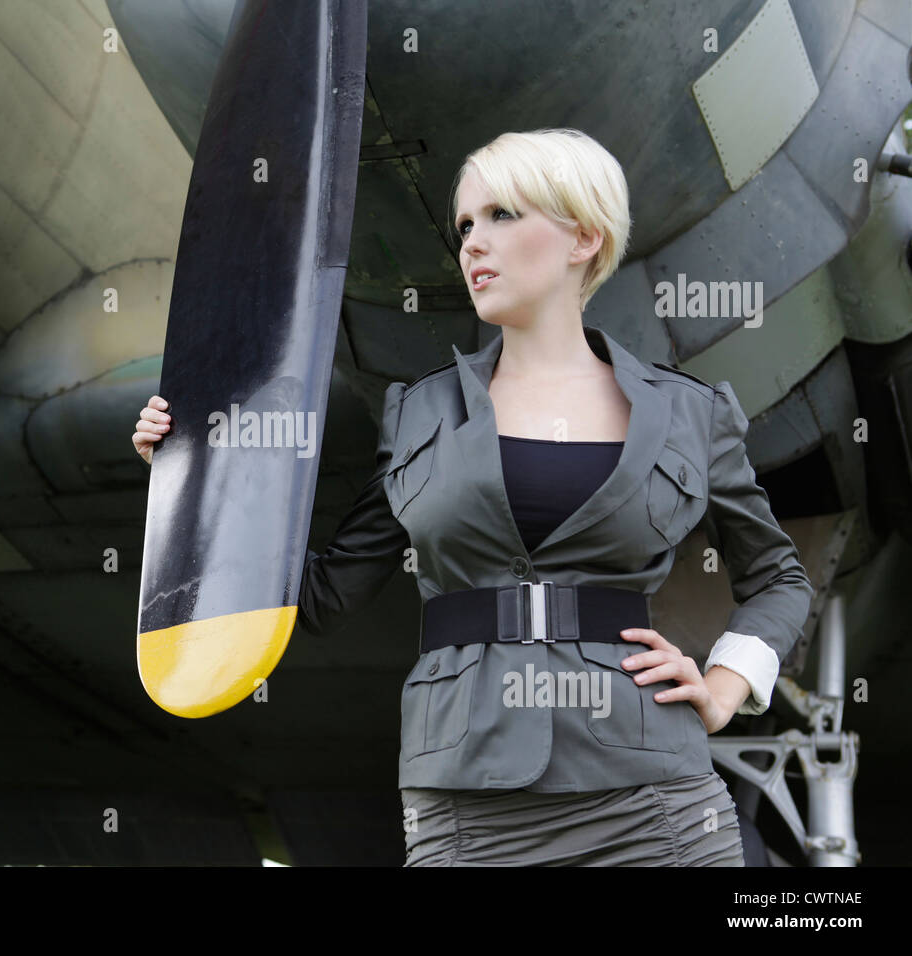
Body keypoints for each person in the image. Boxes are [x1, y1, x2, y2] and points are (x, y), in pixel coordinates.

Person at [132, 128, 813, 866]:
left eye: (501, 216)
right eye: (463, 226)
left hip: (656, 800)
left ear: (584, 236)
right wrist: (195, 476)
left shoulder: (690, 413)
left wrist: (725, 685)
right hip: (467, 806)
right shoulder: (417, 412)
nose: (471, 244)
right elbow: (322, 595)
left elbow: (778, 575)